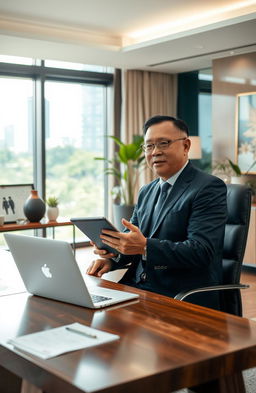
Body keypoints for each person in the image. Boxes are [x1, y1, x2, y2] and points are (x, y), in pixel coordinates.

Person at [87, 115, 227, 309]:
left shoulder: (208, 188)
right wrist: (113, 257)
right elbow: (133, 244)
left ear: (186, 146)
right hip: (137, 287)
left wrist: (145, 246)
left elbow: (201, 251)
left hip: (179, 294)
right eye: (149, 146)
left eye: (163, 143)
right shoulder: (147, 191)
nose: (155, 152)